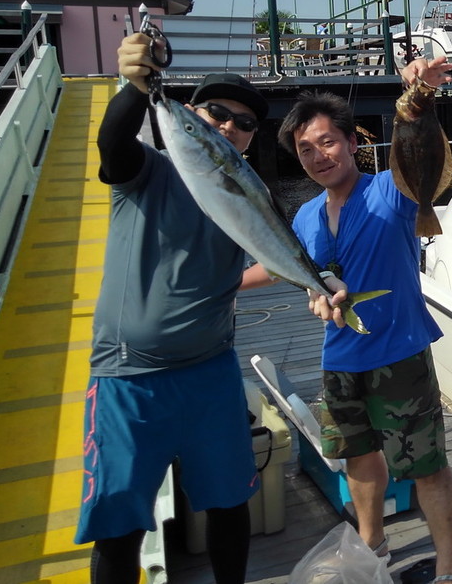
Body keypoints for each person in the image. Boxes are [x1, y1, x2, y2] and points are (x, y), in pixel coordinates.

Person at [241, 53, 452, 583]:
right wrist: (218, 286)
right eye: (305, 149)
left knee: (425, 466)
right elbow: (289, 270)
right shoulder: (304, 215)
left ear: (353, 141)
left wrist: (420, 96)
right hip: (338, 357)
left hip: (399, 351)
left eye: (328, 141)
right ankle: (373, 547)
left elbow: (422, 153)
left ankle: (450, 566)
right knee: (359, 460)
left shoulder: (394, 190)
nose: (319, 155)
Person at [76, 36, 270, 584]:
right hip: (127, 377)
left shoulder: (248, 194)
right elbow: (112, 142)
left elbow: (287, 252)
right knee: (119, 525)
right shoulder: (148, 171)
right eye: (217, 113)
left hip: (211, 371)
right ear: (189, 115)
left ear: (252, 142)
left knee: (231, 505)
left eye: (245, 123)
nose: (230, 126)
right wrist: (136, 87)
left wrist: (322, 284)